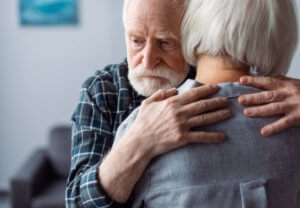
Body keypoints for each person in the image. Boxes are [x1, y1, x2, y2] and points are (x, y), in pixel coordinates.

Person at [66, 0, 300, 207]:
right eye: (136, 40)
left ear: (193, 34)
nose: (147, 60)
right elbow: (76, 203)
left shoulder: (221, 70)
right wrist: (139, 143)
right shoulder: (104, 91)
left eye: (165, 43)